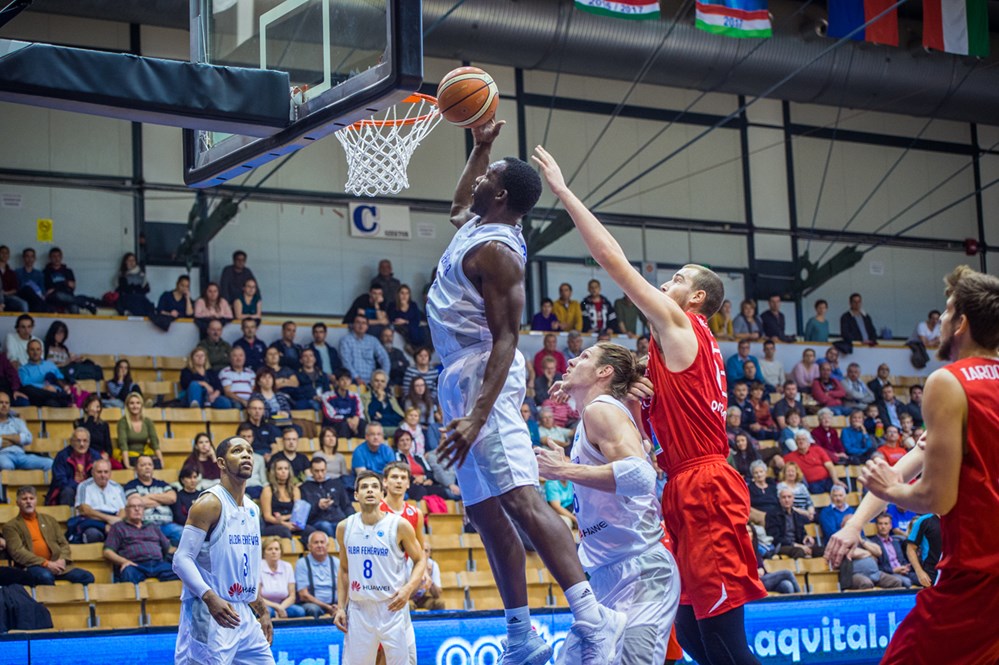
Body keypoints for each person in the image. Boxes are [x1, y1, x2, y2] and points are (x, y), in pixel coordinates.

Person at [536, 144, 764, 665]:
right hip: (682, 485)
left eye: (679, 279)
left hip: (704, 485)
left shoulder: (681, 324)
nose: (667, 283)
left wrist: (565, 194)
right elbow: (637, 395)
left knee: (726, 646)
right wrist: (583, 385)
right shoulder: (668, 357)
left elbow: (612, 262)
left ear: (697, 299)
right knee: (693, 636)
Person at [423, 130, 626, 665]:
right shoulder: (478, 223)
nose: (480, 182)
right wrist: (481, 148)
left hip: (483, 376)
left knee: (521, 498)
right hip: (456, 377)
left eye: (488, 178)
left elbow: (507, 340)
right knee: (487, 512)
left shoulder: (498, 252)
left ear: (503, 197)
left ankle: (592, 617)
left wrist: (476, 417)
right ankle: (520, 637)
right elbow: (456, 202)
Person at [534, 341, 681, 665]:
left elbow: (641, 476)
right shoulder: (592, 414)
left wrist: (563, 469)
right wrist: (570, 471)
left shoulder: (601, 409)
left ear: (604, 371)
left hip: (641, 571)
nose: (571, 359)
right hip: (606, 575)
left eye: (584, 356)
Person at [172, 436, 274, 664]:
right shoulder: (209, 503)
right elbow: (181, 559)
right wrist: (209, 597)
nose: (246, 454)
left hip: (243, 614)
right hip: (210, 611)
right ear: (221, 463)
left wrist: (262, 611)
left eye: (249, 450)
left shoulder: (252, 509)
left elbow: (244, 568)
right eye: (237, 450)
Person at [334, 471, 425, 665]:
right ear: (356, 495)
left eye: (374, 487)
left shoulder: (399, 526)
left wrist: (408, 590)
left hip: (392, 606)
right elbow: (343, 570)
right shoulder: (344, 527)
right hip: (359, 609)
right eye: (364, 487)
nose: (370, 491)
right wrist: (341, 607)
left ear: (382, 494)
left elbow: (420, 559)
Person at [2, 486, 95, 586]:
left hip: (58, 564)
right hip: (33, 566)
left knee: (87, 577)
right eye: (24, 499)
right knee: (45, 577)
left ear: (36, 501)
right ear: (17, 503)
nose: (28, 501)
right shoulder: (11, 526)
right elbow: (18, 552)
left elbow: (64, 544)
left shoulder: (49, 520)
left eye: (31, 498)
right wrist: (46, 564)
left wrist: (62, 560)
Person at [102, 493, 178, 582]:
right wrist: (124, 562)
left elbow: (168, 548)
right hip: (136, 565)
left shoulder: (152, 526)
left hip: (158, 564)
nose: (137, 509)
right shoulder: (118, 527)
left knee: (181, 573)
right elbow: (107, 551)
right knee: (128, 573)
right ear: (126, 510)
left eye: (140, 506)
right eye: (133, 506)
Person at [299, 456, 354, 542]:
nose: (320, 474)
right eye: (316, 471)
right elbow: (304, 516)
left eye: (322, 470)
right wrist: (318, 506)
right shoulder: (304, 488)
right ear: (311, 471)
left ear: (326, 469)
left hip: (338, 519)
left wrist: (353, 519)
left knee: (348, 526)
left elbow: (346, 505)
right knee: (326, 526)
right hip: (318, 521)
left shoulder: (336, 484)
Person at [73, 458, 127, 543]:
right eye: (99, 472)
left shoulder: (117, 487)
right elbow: (85, 510)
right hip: (93, 523)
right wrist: (108, 520)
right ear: (92, 473)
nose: (103, 475)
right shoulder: (84, 486)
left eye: (106, 472)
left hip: (115, 523)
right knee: (92, 534)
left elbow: (124, 510)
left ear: (110, 473)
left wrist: (114, 524)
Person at [49, 426, 103, 506]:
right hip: (69, 490)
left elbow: (101, 477)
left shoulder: (95, 456)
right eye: (78, 441)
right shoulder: (62, 456)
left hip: (90, 489)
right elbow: (60, 481)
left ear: (89, 442)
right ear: (71, 442)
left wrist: (85, 487)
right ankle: (67, 517)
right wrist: (79, 486)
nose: (82, 444)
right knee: (67, 491)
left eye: (85, 441)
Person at [0, 389, 52, 471]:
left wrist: (4, 437)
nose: (4, 405)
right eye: (1, 402)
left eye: (7, 403)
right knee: (6, 465)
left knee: (50, 463)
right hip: (3, 455)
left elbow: (28, 438)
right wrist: (16, 438)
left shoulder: (17, 421)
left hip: (22, 456)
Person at [765, 488, 820, 559]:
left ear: (793, 499)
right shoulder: (772, 515)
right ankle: (801, 570)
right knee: (799, 551)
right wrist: (796, 545)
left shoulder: (797, 515)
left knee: (820, 550)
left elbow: (802, 532)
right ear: (779, 500)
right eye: (784, 497)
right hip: (781, 546)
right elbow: (775, 538)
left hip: (798, 544)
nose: (787, 500)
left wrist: (806, 537)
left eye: (789, 497)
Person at [295, 530, 339, 618]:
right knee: (313, 609)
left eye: (322, 542)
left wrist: (340, 606)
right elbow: (304, 595)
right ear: (309, 546)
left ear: (327, 546)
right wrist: (327, 607)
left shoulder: (336, 562)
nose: (319, 545)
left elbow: (345, 588)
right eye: (316, 542)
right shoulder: (302, 563)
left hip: (336, 604)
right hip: (313, 604)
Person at [392, 430, 447, 501]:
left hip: (423, 483)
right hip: (409, 484)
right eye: (402, 440)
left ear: (411, 442)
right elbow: (400, 472)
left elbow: (430, 473)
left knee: (440, 491)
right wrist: (415, 479)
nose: (405, 442)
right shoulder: (396, 456)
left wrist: (424, 478)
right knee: (420, 491)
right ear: (397, 443)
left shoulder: (419, 457)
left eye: (408, 440)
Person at [260, 537, 307, 618]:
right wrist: (277, 607)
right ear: (264, 553)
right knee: (268, 612)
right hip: (265, 604)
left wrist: (281, 608)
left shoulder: (287, 566)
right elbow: (257, 597)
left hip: (284, 604)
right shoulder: (258, 567)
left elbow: (292, 596)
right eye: (270, 549)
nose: (273, 552)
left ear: (281, 552)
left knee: (300, 611)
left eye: (276, 549)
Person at [18, 339, 73, 407]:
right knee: (28, 389)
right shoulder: (23, 369)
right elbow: (26, 384)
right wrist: (44, 387)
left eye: (38, 349)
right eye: (32, 349)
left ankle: (60, 397)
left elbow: (60, 378)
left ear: (41, 351)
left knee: (51, 403)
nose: (35, 352)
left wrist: (55, 388)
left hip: (52, 395)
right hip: (37, 396)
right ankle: (62, 397)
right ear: (27, 352)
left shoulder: (50, 365)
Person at [339, 315, 391, 388]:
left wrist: (384, 377)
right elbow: (346, 362)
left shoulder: (373, 340)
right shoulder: (345, 340)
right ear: (353, 325)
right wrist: (356, 378)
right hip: (353, 381)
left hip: (372, 381)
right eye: (358, 322)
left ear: (367, 326)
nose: (361, 325)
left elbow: (384, 358)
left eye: (364, 323)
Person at [43, 247, 97, 314]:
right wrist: (65, 283)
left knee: (74, 307)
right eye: (54, 256)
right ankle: (85, 303)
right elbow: (48, 289)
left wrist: (56, 287)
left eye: (58, 256)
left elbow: (72, 286)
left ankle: (83, 304)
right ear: (50, 258)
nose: (56, 259)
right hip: (54, 298)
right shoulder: (45, 272)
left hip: (68, 296)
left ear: (61, 257)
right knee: (58, 294)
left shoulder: (68, 271)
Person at [117, 392, 164, 469]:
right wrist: (127, 465)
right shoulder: (123, 422)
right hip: (130, 456)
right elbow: (123, 445)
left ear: (141, 405)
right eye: (132, 403)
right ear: (127, 406)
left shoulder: (147, 421)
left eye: (138, 403)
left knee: (155, 464)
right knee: (141, 466)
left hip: (145, 456)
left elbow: (154, 443)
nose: (135, 406)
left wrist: (161, 461)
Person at [260, 457, 301, 539]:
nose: (283, 471)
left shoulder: (295, 489)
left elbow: (298, 512)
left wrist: (285, 518)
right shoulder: (268, 490)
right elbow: (267, 516)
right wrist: (283, 523)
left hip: (292, 522)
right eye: (280, 469)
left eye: (286, 468)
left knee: (310, 530)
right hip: (273, 524)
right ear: (274, 472)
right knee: (285, 531)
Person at [321, 369, 367, 438]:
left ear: (351, 381)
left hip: (352, 424)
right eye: (342, 379)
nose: (345, 382)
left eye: (348, 379)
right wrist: (347, 419)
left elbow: (359, 412)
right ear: (337, 381)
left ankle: (364, 447)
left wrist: (356, 418)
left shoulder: (355, 396)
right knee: (344, 425)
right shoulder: (327, 397)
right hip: (334, 426)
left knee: (363, 424)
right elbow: (330, 416)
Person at [366, 369, 404, 434]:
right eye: (376, 381)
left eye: (382, 381)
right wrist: (379, 399)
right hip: (375, 431)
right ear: (372, 383)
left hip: (393, 428)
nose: (379, 383)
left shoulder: (391, 398)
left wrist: (382, 417)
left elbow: (399, 417)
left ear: (386, 384)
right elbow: (370, 416)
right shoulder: (365, 397)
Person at [409, 542, 445, 610]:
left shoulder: (433, 565)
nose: (423, 554)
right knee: (409, 605)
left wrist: (429, 576)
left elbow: (437, 594)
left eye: (426, 551)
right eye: (421, 550)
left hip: (423, 598)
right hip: (410, 597)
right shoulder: (409, 563)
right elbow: (409, 593)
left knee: (440, 603)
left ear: (430, 553)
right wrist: (419, 577)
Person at [14, 248, 49, 313]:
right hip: (22, 296)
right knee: (28, 288)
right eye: (27, 256)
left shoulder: (39, 274)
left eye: (32, 256)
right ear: (24, 258)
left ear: (34, 258)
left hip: (35, 298)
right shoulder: (17, 272)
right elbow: (17, 289)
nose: (30, 259)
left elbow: (42, 290)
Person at [0, 245, 28, 312]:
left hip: (7, 296)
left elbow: (15, 289)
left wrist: (6, 293)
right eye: (2, 252)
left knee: (23, 304)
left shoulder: (11, 273)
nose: (4, 255)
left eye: (6, 253)